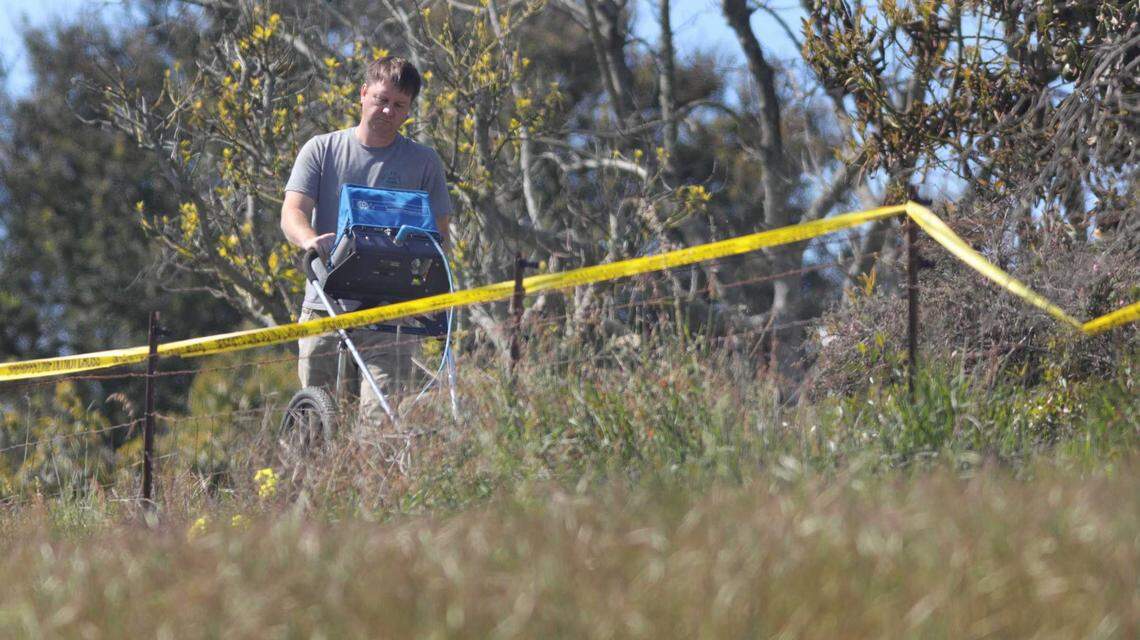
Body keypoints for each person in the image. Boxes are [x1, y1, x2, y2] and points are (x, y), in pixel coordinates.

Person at [281, 55, 452, 428]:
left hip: (391, 314)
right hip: (326, 305)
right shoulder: (321, 149)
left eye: (399, 105)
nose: (388, 110)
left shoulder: (423, 163)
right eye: (381, 99)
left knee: (379, 424)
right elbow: (292, 212)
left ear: (408, 112)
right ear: (362, 94)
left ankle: (373, 483)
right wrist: (311, 240)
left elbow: (440, 237)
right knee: (318, 424)